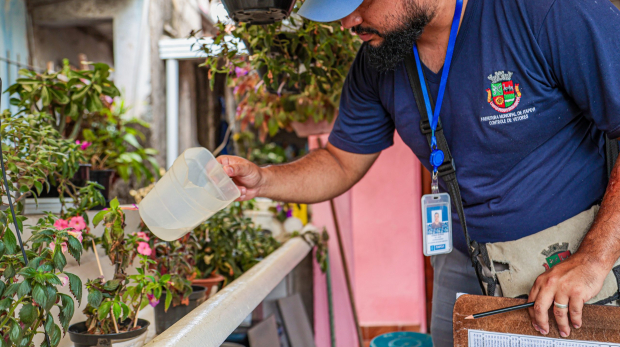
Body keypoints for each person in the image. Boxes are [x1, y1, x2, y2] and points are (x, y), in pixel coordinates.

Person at [217, 0, 620, 345]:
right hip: (464, 262)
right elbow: (341, 161)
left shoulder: (545, 14)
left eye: (359, 5)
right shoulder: (377, 62)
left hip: (571, 259)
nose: (347, 23)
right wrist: (264, 179)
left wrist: (594, 259)